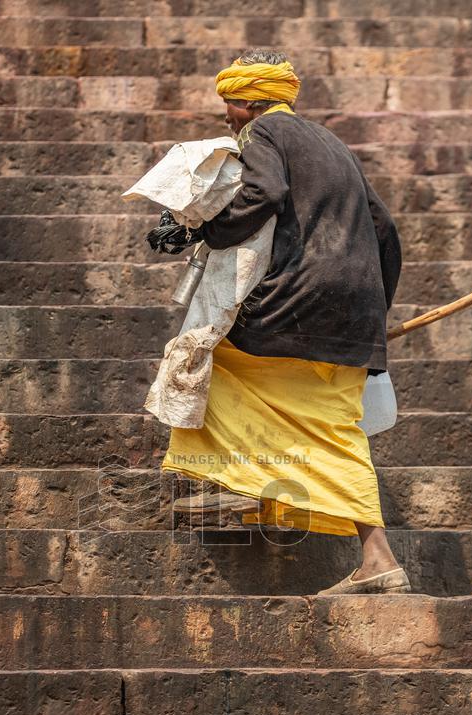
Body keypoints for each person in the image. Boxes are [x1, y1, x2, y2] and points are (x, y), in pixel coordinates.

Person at [161, 49, 411, 595]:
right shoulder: (333, 143)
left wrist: (203, 230)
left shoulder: (262, 134)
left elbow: (263, 193)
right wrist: (372, 314)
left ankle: (231, 485)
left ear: (248, 100)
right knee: (332, 427)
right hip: (353, 312)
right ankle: (376, 557)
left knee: (203, 360)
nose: (224, 114)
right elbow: (385, 228)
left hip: (299, 300)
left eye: (228, 102)